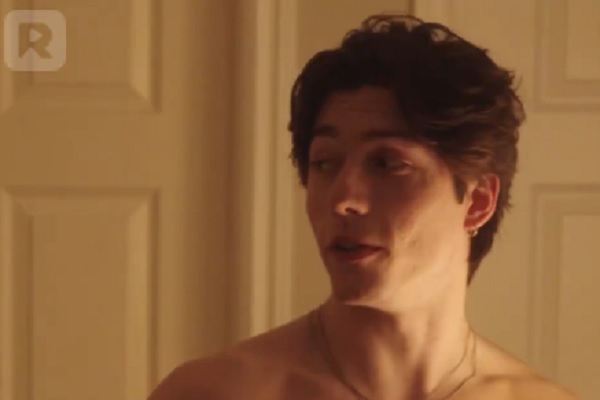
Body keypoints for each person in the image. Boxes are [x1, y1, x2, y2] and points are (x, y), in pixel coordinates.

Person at [148, 14, 580, 400]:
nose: (343, 200)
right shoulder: (212, 393)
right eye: (325, 163)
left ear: (477, 202)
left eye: (387, 164)